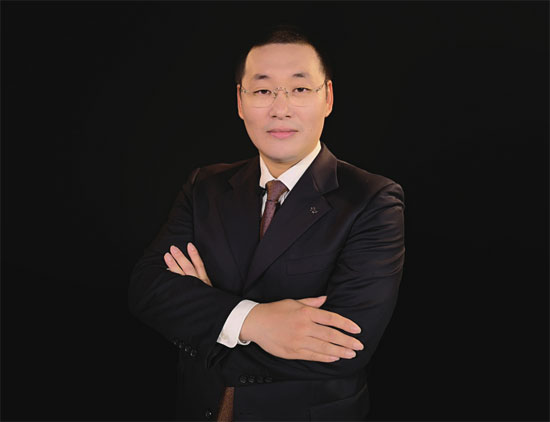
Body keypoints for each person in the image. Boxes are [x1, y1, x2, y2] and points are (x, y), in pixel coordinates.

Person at [128, 25, 405, 421]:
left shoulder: (371, 199)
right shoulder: (205, 186)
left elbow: (344, 347)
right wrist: (254, 321)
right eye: (262, 91)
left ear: (327, 97)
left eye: (299, 88)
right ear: (240, 101)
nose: (280, 108)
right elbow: (147, 289)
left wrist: (207, 316)